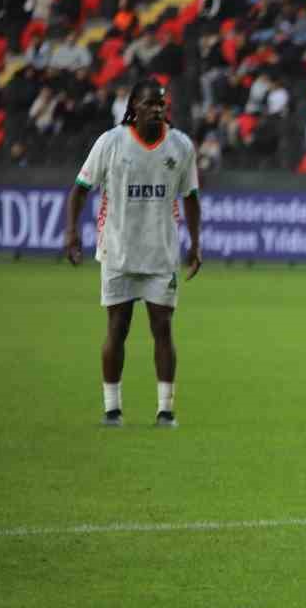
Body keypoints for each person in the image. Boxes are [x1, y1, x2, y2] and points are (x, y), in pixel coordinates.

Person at [63, 77, 202, 428]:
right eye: (150, 103)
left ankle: (166, 410)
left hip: (161, 253)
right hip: (117, 250)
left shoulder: (181, 146)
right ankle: (112, 409)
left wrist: (196, 245)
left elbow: (191, 198)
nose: (157, 109)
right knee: (117, 326)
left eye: (162, 104)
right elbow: (80, 188)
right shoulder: (111, 143)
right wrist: (71, 233)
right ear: (132, 108)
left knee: (163, 327)